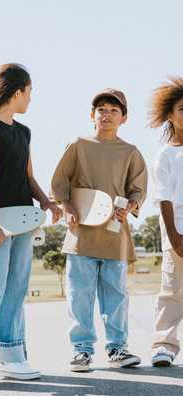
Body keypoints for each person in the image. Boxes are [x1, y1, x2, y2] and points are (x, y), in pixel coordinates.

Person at [0, 63, 62, 390]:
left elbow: (29, 177)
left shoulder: (24, 131)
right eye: (29, 92)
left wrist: (46, 203)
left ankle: (11, 357)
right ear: (15, 91)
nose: (31, 99)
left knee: (18, 285)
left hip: (24, 219)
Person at [49, 88, 148, 372]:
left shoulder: (131, 152)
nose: (107, 114)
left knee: (116, 295)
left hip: (115, 235)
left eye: (114, 110)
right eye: (101, 109)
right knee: (79, 294)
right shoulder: (78, 144)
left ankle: (118, 349)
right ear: (92, 115)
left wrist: (130, 207)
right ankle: (82, 351)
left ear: (124, 118)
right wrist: (66, 206)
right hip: (81, 235)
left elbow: (138, 190)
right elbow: (59, 182)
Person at [148, 75, 183, 366]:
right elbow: (164, 198)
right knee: (172, 292)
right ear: (170, 115)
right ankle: (164, 346)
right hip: (179, 234)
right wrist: (173, 234)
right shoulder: (165, 155)